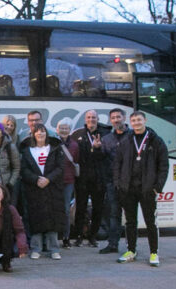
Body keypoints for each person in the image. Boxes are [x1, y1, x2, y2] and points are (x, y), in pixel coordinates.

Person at [114, 111, 168, 267]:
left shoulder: (156, 141)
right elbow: (117, 163)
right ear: (130, 123)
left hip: (147, 189)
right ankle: (131, 250)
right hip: (128, 188)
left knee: (151, 222)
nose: (136, 123)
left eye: (139, 120)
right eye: (133, 120)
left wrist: (157, 187)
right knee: (130, 222)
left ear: (145, 120)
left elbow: (163, 166)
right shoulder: (126, 141)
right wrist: (118, 183)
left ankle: (154, 253)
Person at [20, 123, 65, 260]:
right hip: (34, 189)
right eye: (37, 132)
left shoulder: (55, 148)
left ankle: (54, 249)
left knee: (53, 218)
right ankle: (36, 249)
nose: (40, 134)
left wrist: (48, 179)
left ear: (47, 133)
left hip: (52, 188)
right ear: (33, 134)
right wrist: (35, 179)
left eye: (43, 131)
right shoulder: (27, 151)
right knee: (36, 218)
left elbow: (60, 167)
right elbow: (24, 170)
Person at [71, 110, 110, 247]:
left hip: (99, 179)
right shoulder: (78, 134)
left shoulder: (105, 134)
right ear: (85, 119)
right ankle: (79, 236)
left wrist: (98, 149)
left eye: (94, 117)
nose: (91, 119)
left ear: (97, 119)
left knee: (98, 208)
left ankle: (93, 236)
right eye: (89, 117)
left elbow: (107, 156)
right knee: (80, 208)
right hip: (82, 179)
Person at [99, 108, 129, 254]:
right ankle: (113, 244)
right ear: (110, 120)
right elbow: (102, 161)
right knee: (114, 215)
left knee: (130, 216)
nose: (116, 120)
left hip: (131, 182)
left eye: (119, 117)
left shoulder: (133, 136)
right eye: (113, 118)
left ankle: (131, 246)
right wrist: (96, 149)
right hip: (113, 183)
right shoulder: (106, 139)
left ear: (124, 118)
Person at [56, 118, 79, 249]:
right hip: (54, 181)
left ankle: (66, 237)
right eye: (61, 128)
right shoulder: (53, 143)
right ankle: (54, 237)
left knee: (65, 210)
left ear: (70, 130)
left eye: (66, 128)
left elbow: (76, 161)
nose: (64, 130)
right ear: (57, 130)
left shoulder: (75, 145)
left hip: (68, 181)